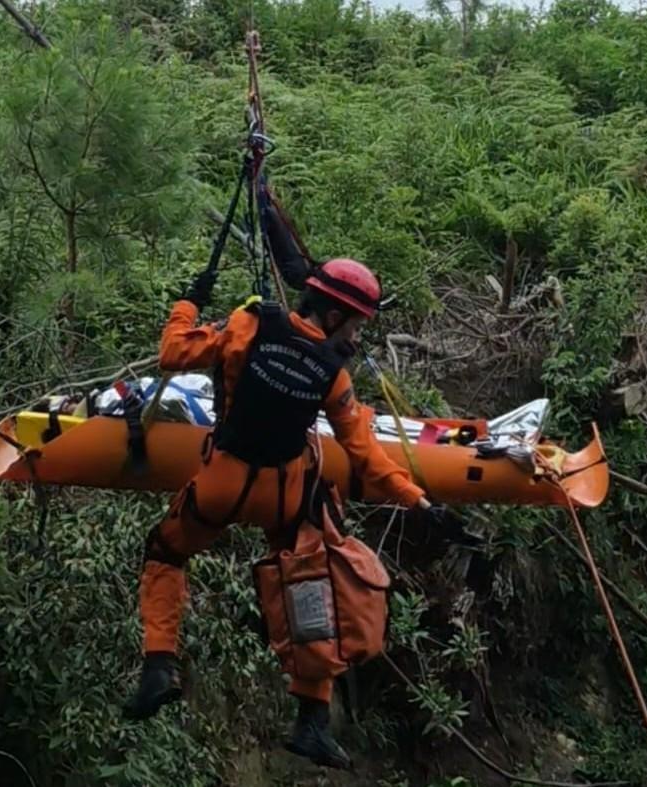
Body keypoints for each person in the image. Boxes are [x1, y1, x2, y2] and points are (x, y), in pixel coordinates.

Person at [123, 249, 431, 769]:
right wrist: (416, 499)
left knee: (166, 553)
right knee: (311, 580)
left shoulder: (250, 324)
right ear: (333, 315)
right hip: (283, 495)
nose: (356, 338)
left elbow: (173, 352)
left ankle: (158, 664)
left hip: (221, 482)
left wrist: (189, 303)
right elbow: (364, 455)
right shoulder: (333, 374)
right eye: (355, 326)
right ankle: (312, 720)